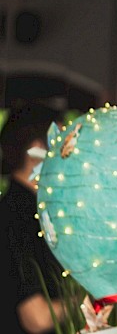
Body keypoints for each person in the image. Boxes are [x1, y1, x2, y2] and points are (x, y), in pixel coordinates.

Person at [1, 101, 68, 334]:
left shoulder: (31, 211)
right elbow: (37, 316)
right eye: (62, 145)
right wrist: (93, 299)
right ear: (37, 150)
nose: (68, 157)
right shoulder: (16, 218)